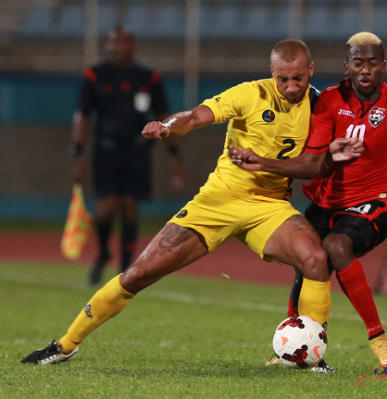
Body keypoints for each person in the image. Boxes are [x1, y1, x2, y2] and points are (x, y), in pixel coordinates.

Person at [21, 39, 360, 372]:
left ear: (311, 71)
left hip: (268, 207)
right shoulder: (250, 94)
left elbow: (320, 161)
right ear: (271, 72)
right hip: (219, 200)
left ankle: (311, 355)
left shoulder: (321, 107)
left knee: (315, 259)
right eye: (282, 78)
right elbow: (197, 115)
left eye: (298, 78)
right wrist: (169, 127)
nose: (289, 86)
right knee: (138, 274)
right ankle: (64, 345)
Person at [229, 32, 387, 366]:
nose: (365, 70)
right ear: (347, 67)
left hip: (373, 203)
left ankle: (380, 340)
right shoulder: (328, 101)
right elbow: (311, 163)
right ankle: (298, 348)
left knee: (336, 248)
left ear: (384, 66)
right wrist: (265, 163)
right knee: (308, 260)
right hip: (326, 204)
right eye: (358, 63)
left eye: (372, 63)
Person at [69, 26, 184, 286]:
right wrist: (76, 154)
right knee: (106, 211)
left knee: (131, 209)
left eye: (120, 43)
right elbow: (82, 116)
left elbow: (164, 117)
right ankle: (103, 252)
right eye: (111, 42)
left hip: (137, 151)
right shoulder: (94, 75)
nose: (115, 47)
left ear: (131, 45)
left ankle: (124, 272)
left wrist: (175, 156)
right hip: (105, 152)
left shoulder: (149, 78)